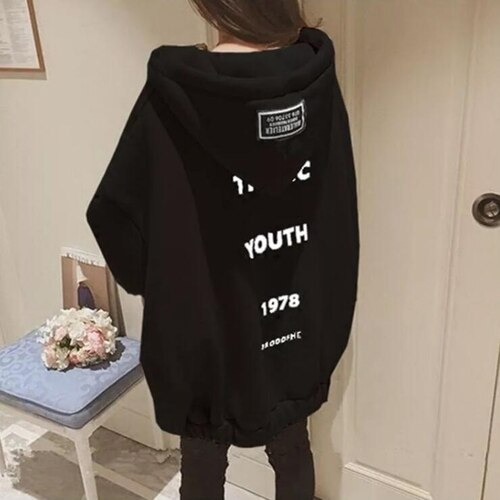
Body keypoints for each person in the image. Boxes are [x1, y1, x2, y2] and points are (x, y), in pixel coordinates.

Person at [86, 0, 359, 498]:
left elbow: (114, 215)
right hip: (292, 326)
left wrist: (157, 283)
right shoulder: (315, 85)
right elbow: (337, 208)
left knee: (203, 457)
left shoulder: (177, 93)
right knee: (292, 445)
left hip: (203, 331)